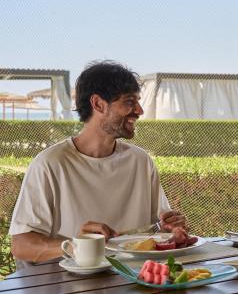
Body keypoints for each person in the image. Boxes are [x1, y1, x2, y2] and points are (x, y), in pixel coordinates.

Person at [9, 61, 186, 265]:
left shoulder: (141, 161)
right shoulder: (50, 164)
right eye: (129, 102)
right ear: (98, 104)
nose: (139, 110)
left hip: (135, 279)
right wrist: (76, 246)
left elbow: (159, 226)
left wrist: (169, 226)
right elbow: (21, 246)